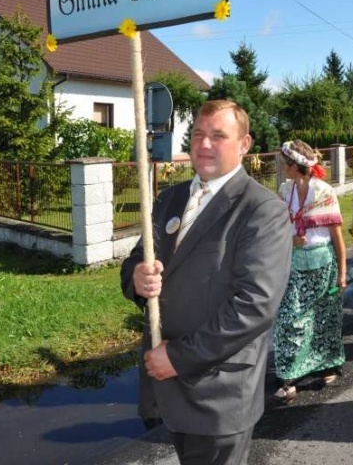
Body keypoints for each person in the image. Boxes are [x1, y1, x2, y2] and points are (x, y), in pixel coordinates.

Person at [120, 100, 291, 465]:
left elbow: (255, 305)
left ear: (244, 145)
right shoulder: (171, 199)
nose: (205, 144)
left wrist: (179, 358)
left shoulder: (261, 210)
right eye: (198, 134)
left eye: (218, 135)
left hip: (218, 391)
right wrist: (136, 278)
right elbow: (137, 259)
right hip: (167, 382)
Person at [272, 140, 347, 402]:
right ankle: (289, 377)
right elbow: (279, 227)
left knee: (325, 318)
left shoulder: (324, 192)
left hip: (323, 263)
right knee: (289, 319)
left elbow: (337, 235)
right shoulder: (284, 191)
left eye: (286, 164)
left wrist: (343, 271)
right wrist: (290, 240)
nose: (283, 168)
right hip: (293, 263)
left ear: (297, 166)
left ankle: (327, 365)